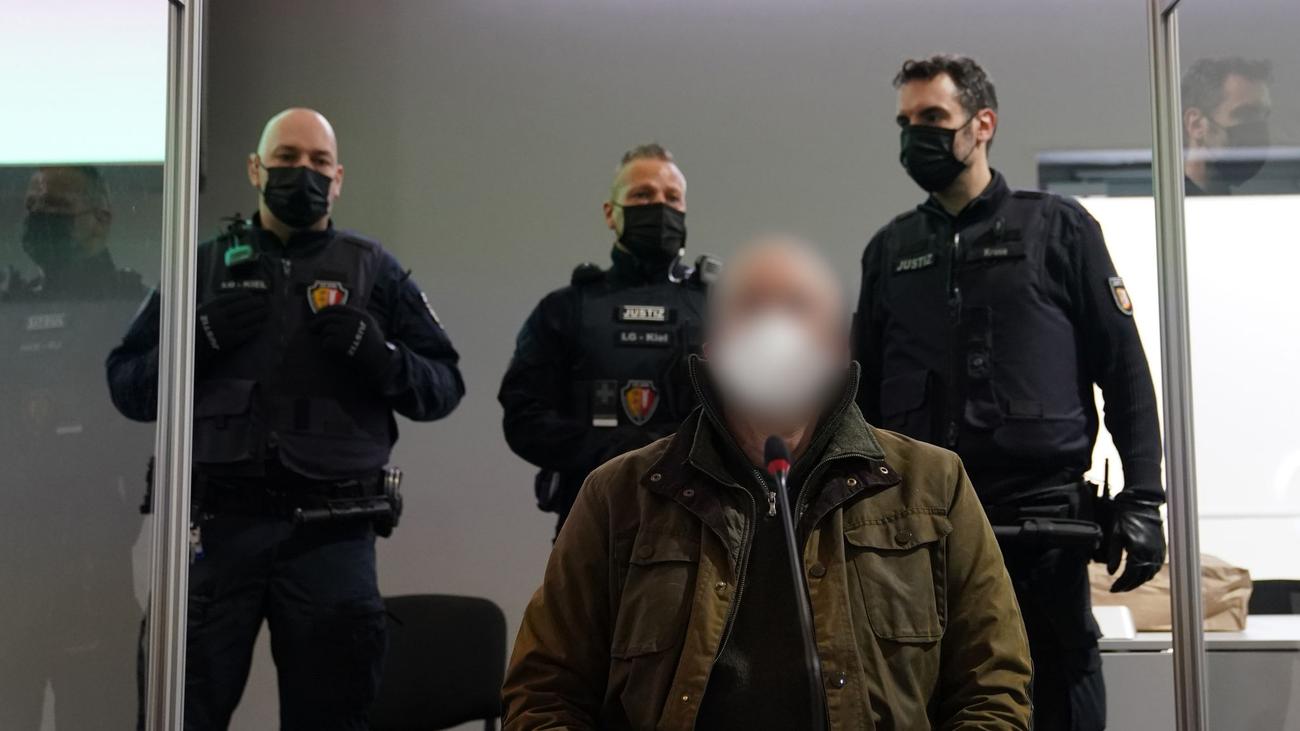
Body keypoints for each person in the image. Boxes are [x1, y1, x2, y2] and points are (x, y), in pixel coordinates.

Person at [503, 237, 1033, 731]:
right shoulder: (621, 493)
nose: (773, 330)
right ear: (713, 345)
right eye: (750, 308)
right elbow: (545, 690)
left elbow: (994, 687)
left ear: (835, 345)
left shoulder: (933, 484)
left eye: (797, 307)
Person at [106, 108, 465, 730]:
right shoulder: (203, 268)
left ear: (338, 178)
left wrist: (379, 354)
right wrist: (197, 340)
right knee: (178, 715)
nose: (303, 172)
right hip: (216, 534)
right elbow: (127, 386)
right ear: (256, 169)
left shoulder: (373, 270)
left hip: (331, 536)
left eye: (319, 162)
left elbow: (444, 386)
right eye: (286, 158)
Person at [854, 55, 1167, 731]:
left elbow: (1125, 371)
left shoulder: (1060, 229)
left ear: (982, 124)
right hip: (921, 524)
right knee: (930, 697)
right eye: (906, 122)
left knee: (1057, 685)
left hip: (1041, 522)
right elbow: (862, 399)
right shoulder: (889, 251)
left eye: (933, 117)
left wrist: (1144, 497)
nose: (915, 135)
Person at [498, 143, 717, 533]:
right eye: (642, 195)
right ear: (610, 213)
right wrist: (615, 452)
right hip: (594, 523)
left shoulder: (723, 309)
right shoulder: (564, 309)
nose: (659, 206)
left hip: (700, 525)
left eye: (672, 197)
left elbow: (757, 419)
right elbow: (523, 418)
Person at [0, 165, 147, 729]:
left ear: (101, 219)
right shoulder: (12, 305)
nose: (39, 221)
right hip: (13, 553)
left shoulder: (135, 308)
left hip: (90, 553)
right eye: (32, 209)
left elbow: (147, 441)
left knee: (94, 712)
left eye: (56, 210)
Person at [1, 165, 143, 301]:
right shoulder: (17, 305)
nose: (37, 213)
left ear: (101, 218)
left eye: (55, 204)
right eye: (31, 204)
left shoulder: (140, 306)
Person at [1182, 56, 1273, 196]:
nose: (1258, 130)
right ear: (1196, 125)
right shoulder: (1163, 205)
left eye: (1264, 117)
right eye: (1246, 115)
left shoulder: (1229, 206)